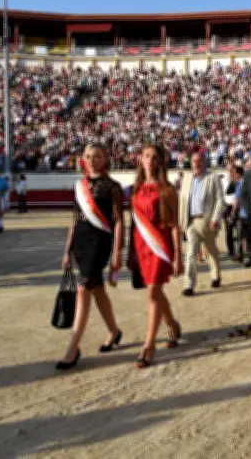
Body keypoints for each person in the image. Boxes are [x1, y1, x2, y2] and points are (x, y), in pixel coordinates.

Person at [56, 144, 124, 370]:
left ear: (105, 158)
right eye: (88, 156)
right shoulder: (79, 186)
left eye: (97, 156)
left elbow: (118, 221)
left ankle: (72, 347)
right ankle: (114, 331)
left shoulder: (112, 187)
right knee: (97, 289)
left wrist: (117, 251)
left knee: (84, 288)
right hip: (81, 244)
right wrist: (67, 250)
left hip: (100, 243)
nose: (92, 160)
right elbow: (74, 219)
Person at [130, 144, 183, 369]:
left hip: (160, 247)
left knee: (153, 291)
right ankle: (172, 325)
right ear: (141, 159)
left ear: (161, 162)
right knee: (156, 291)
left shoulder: (167, 190)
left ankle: (149, 345)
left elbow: (174, 226)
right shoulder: (136, 188)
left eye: (154, 157)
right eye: (146, 156)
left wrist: (178, 255)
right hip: (141, 246)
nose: (149, 160)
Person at [178, 151, 224, 296]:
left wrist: (215, 218)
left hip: (207, 221)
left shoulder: (213, 178)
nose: (197, 163)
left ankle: (215, 274)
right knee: (191, 252)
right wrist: (181, 223)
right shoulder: (186, 178)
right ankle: (189, 285)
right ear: (191, 162)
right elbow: (182, 201)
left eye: (199, 161)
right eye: (194, 161)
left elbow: (220, 200)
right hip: (191, 222)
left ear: (205, 162)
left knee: (211, 250)